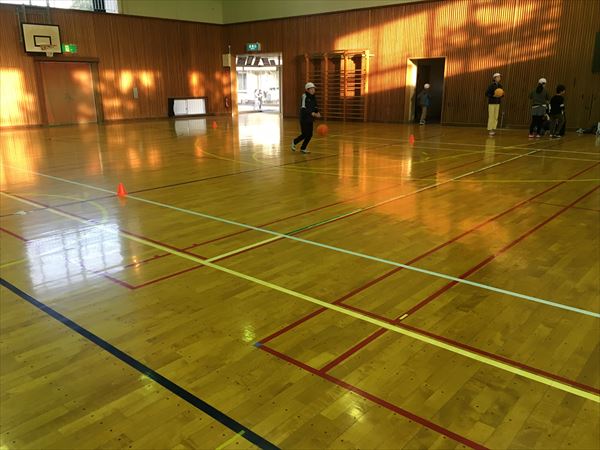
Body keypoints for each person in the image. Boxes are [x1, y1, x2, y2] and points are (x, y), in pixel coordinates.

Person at [291, 82, 320, 154]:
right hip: (304, 118)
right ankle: (294, 141)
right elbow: (303, 108)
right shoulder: (304, 96)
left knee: (310, 134)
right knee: (305, 134)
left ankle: (303, 148)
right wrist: (312, 113)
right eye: (311, 89)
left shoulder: (314, 97)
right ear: (307, 89)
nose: (313, 90)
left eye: (314, 89)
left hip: (310, 119)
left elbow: (315, 106)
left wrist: (317, 112)